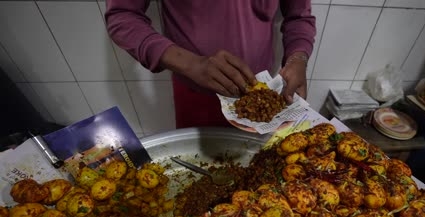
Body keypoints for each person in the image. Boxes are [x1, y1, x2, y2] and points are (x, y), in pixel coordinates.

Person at [105, 0, 316, 128]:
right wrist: (191, 64)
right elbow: (122, 16)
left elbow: (299, 16)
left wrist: (298, 57)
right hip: (195, 91)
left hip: (262, 94)